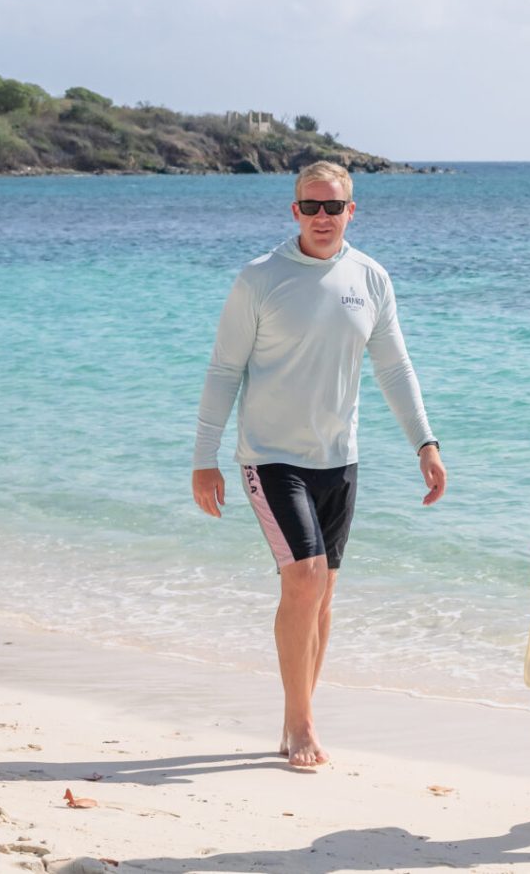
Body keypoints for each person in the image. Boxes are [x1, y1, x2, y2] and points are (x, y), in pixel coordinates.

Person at [190, 160, 447, 770]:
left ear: (351, 211)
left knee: (324, 593)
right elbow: (225, 370)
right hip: (271, 456)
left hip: (340, 458)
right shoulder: (260, 278)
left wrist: (425, 443)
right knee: (303, 578)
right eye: (311, 206)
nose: (323, 217)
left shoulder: (371, 278)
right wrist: (204, 458)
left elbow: (394, 368)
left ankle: (295, 713)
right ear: (295, 211)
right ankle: (302, 722)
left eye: (334, 207)